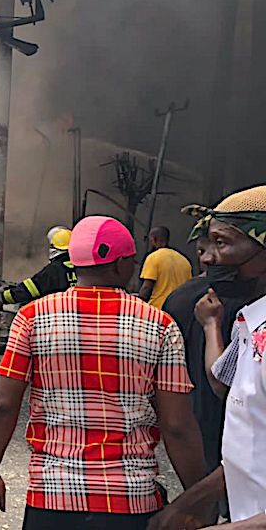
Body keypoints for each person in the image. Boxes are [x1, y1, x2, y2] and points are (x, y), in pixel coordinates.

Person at [0, 216, 206, 530]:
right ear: (120, 266)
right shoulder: (160, 325)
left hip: (52, 497)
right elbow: (177, 424)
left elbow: (3, 405)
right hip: (130, 500)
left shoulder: (31, 318)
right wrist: (199, 499)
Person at [151, 186, 266, 529]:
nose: (206, 258)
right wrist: (189, 503)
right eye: (206, 244)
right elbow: (223, 385)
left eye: (222, 243)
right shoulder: (251, 323)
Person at [0, 226, 77, 306]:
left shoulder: (54, 270)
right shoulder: (83, 269)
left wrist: (4, 296)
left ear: (53, 248)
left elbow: (31, 289)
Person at [139, 226, 192, 309]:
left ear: (154, 239)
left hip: (158, 309)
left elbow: (146, 288)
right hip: (179, 310)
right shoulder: (184, 260)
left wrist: (138, 303)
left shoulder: (153, 257)